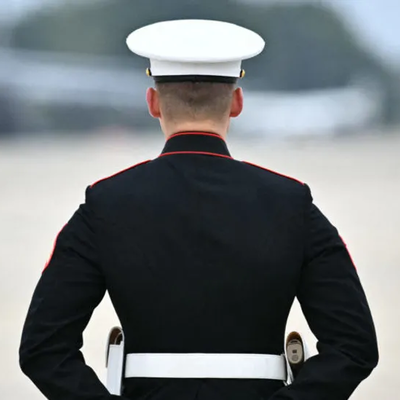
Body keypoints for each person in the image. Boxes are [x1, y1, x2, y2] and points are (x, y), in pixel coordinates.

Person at [19, 19, 378, 400]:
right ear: (237, 103)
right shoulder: (292, 202)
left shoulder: (105, 203)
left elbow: (43, 349)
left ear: (152, 103)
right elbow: (353, 346)